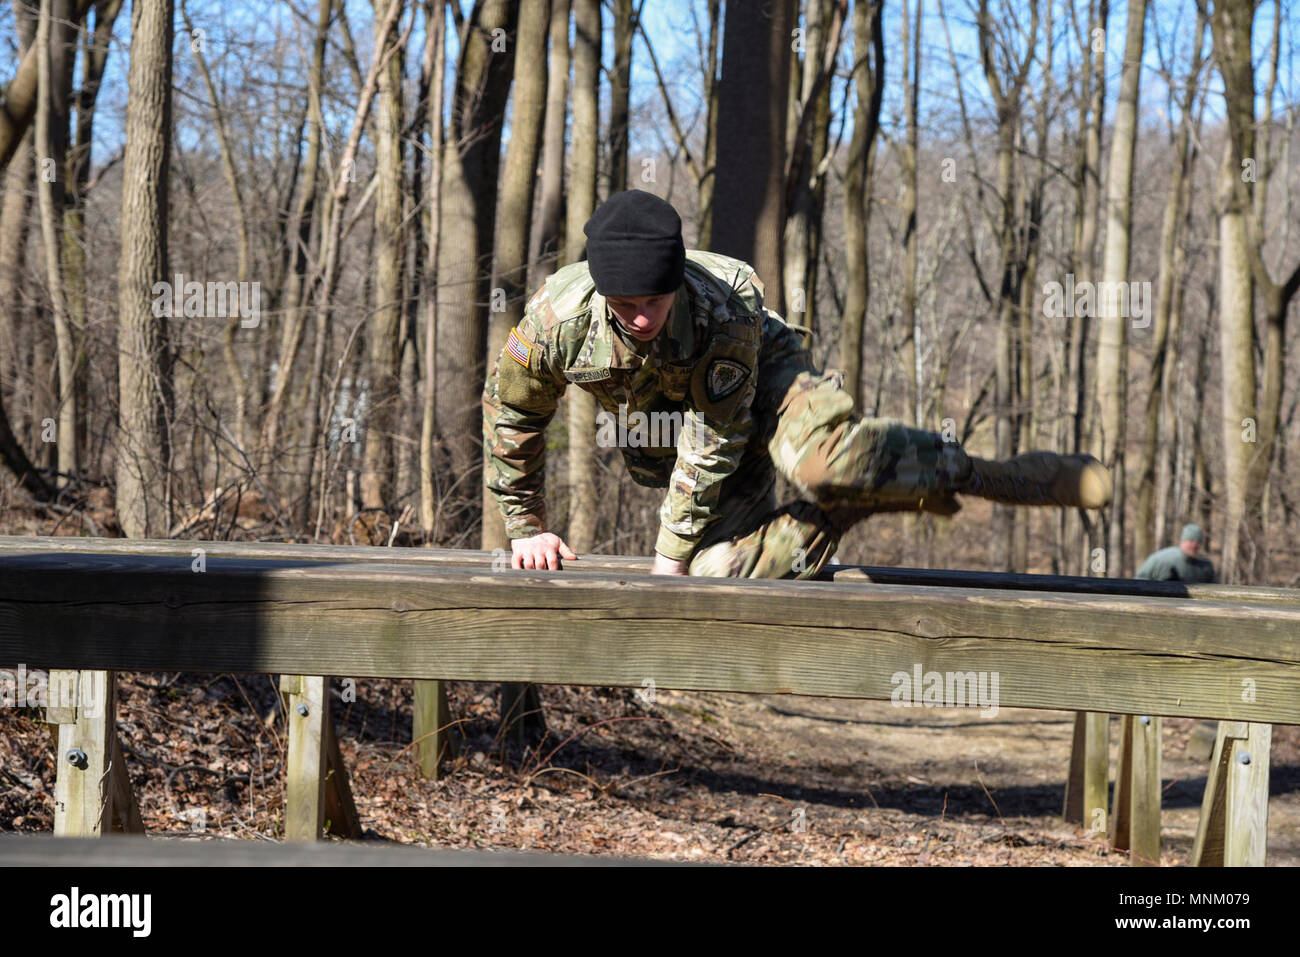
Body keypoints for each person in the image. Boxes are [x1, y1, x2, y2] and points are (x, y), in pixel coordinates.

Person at [482, 189, 1112, 577]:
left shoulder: (721, 311)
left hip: (766, 382)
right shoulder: (555, 322)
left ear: (676, 283)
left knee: (817, 464)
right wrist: (526, 525)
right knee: (716, 575)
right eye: (626, 305)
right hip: (683, 428)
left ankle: (977, 473)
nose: (642, 317)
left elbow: (714, 436)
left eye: (656, 300)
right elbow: (512, 413)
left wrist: (666, 552)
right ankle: (843, 509)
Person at [1135, 524, 1217, 583]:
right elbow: (1139, 580)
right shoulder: (1162, 559)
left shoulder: (1205, 566)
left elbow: (1214, 590)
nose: (1195, 545)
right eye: (1191, 541)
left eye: (1198, 542)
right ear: (1183, 541)